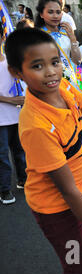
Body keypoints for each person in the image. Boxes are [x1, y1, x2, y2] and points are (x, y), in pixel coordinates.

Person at [5, 27, 82, 274]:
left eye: (55, 62)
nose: (51, 72)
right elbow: (66, 189)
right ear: (17, 72)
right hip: (55, 209)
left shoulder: (63, 88)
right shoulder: (35, 125)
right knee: (77, 267)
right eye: (37, 66)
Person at [36, 0, 82, 178]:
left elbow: (78, 59)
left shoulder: (66, 31)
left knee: (76, 120)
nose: (56, 15)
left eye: (58, 11)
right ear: (41, 14)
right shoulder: (37, 36)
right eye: (50, 12)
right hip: (49, 85)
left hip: (69, 82)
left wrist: (73, 38)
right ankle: (62, 166)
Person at [0, 24, 26, 205]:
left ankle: (23, 180)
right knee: (2, 156)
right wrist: (10, 100)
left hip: (17, 117)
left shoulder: (10, 62)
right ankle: (5, 189)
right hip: (1, 119)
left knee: (20, 151)